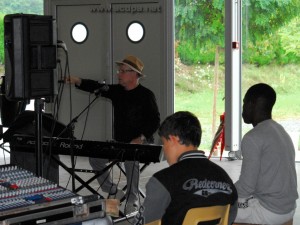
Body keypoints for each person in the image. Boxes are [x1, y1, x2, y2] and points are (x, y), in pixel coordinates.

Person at [66, 55, 160, 214]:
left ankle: (132, 199)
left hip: (141, 144)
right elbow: (96, 86)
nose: (119, 74)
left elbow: (155, 121)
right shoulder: (117, 91)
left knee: (131, 157)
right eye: (119, 71)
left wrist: (141, 137)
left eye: (123, 71)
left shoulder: (146, 95)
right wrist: (78, 81)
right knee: (95, 157)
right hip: (118, 142)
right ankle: (113, 190)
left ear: (134, 74)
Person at [135, 111, 238, 225]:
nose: (164, 150)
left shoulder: (163, 180)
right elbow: (230, 217)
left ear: (173, 139)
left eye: (164, 144)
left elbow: (143, 221)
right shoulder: (224, 177)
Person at [233, 83, 298, 225]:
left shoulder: (253, 137)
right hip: (288, 208)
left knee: (219, 210)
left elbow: (246, 187)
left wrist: (224, 192)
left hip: (269, 211)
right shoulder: (280, 131)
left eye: (244, 103)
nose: (242, 109)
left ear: (252, 104)